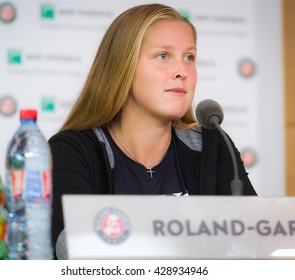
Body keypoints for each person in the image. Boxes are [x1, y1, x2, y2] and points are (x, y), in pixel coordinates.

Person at [49, 3, 257, 258]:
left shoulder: (212, 147)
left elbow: (253, 243)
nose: (182, 71)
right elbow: (69, 248)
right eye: (163, 56)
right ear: (122, 67)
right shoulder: (73, 149)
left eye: (189, 57)